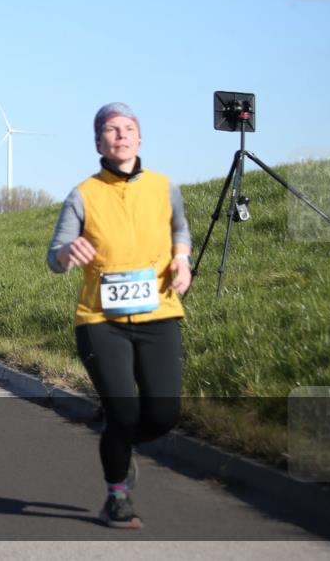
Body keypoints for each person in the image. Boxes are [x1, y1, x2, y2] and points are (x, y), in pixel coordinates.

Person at [46, 102, 191, 530]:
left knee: (164, 415)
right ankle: (116, 497)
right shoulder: (83, 194)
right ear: (98, 142)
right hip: (100, 320)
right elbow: (54, 257)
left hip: (160, 313)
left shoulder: (164, 187)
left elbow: (180, 228)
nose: (121, 135)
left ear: (140, 138)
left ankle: (119, 446)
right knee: (124, 413)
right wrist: (67, 252)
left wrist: (181, 259)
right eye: (111, 130)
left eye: (129, 128)